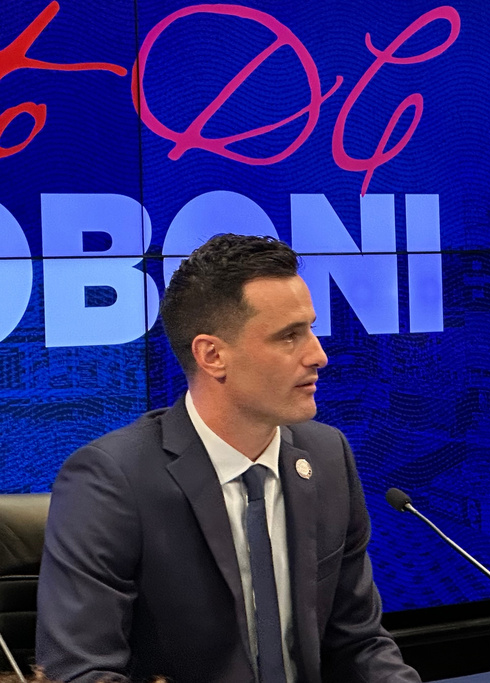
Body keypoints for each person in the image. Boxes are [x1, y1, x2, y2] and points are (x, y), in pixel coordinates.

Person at [36, 235, 420, 683]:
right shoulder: (110, 480)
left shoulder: (328, 455)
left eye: (311, 329)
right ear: (213, 355)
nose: (318, 355)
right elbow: (80, 671)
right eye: (289, 336)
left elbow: (358, 642)